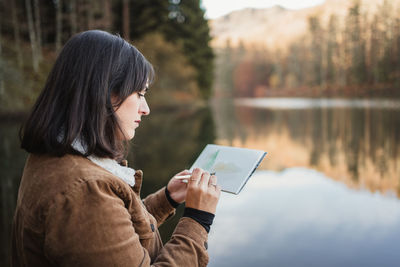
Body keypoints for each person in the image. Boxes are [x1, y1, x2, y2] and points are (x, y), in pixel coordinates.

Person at [11, 30, 221, 267]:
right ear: (102, 92)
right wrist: (198, 219)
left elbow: (113, 228)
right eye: (140, 93)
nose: (146, 108)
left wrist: (168, 198)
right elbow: (97, 215)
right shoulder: (84, 191)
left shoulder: (57, 156)